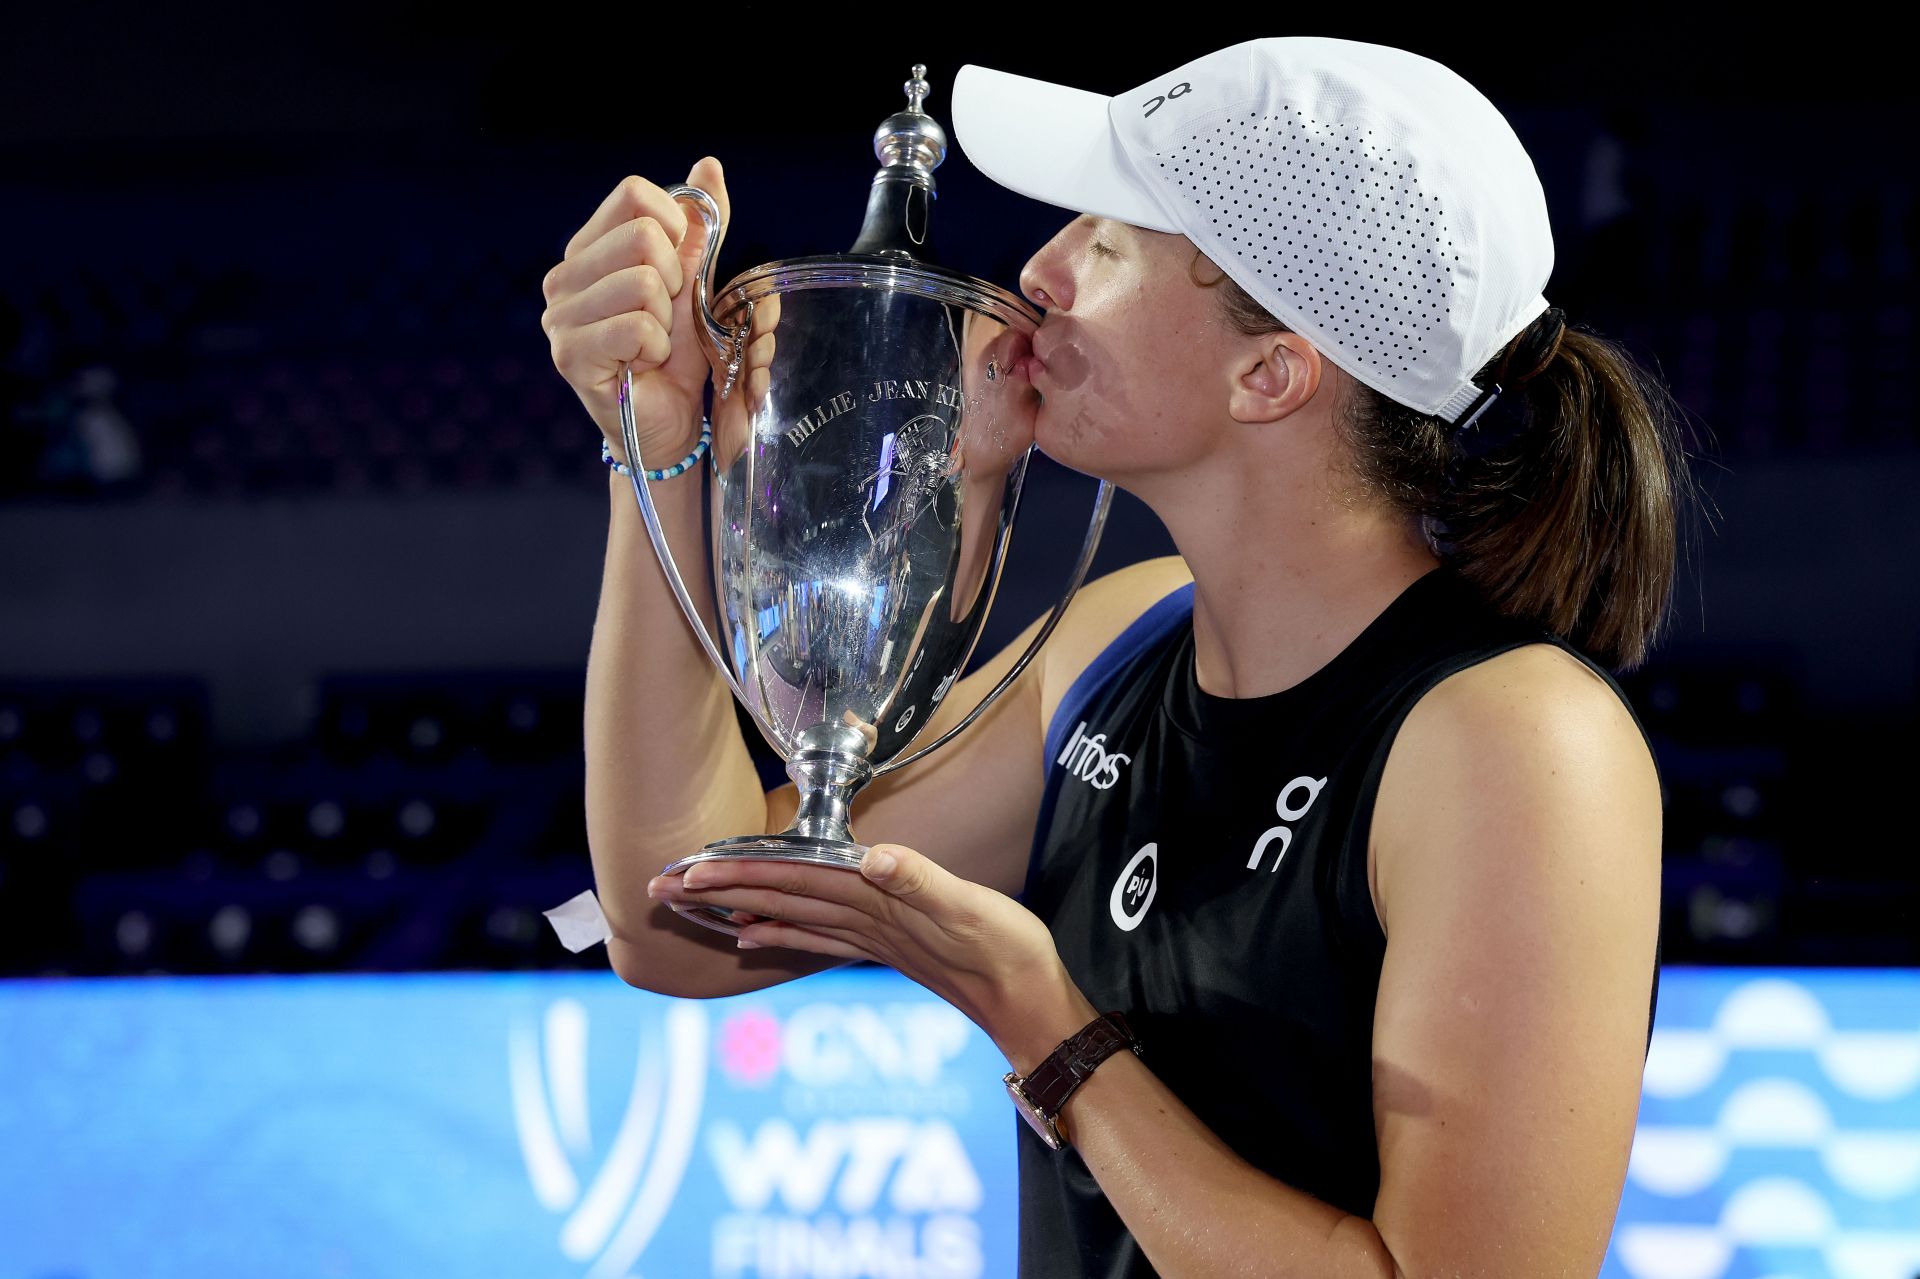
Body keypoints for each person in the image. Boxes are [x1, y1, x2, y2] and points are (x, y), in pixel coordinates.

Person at [539, 36, 1694, 1278]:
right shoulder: (1120, 636)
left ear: (1271, 372)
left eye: (1110, 239)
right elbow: (675, 923)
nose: (1038, 271)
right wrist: (653, 444)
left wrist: (1054, 1032)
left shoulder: (1519, 741)